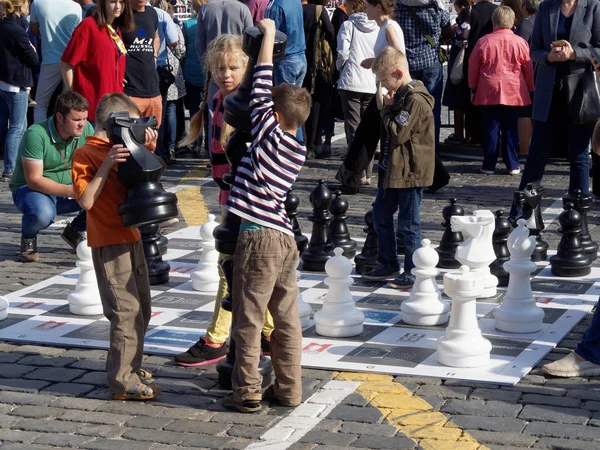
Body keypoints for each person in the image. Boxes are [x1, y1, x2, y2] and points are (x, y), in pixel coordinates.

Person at [223, 18, 311, 413]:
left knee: (248, 318)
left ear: (273, 116)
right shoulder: (296, 148)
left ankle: (247, 391)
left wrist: (270, 36)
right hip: (284, 236)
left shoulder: (267, 133)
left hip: (257, 236)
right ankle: (290, 389)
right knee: (287, 318)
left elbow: (260, 80)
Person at [175, 35, 275, 367]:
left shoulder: (252, 102)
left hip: (248, 197)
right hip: (227, 195)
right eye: (219, 68)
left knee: (231, 269)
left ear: (248, 67)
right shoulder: (217, 98)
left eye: (233, 67)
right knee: (246, 267)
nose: (225, 73)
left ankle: (217, 338)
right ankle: (270, 332)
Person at [71, 93, 161, 401]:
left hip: (131, 236)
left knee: (142, 307)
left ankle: (130, 364)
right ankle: (123, 380)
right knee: (125, 311)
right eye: (132, 124)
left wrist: (147, 145)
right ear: (116, 124)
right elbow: (85, 200)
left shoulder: (119, 147)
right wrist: (106, 165)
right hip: (109, 241)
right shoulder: (86, 153)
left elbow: (142, 179)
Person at [361, 46, 434, 289]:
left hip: (411, 171)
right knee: (381, 214)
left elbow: (398, 132)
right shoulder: (402, 96)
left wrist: (386, 109)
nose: (383, 87)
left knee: (408, 223)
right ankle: (388, 262)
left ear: (399, 73)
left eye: (384, 80)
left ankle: (413, 270)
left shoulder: (415, 100)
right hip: (393, 169)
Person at [517, 0, 600, 195]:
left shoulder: (593, 6)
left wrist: (574, 54)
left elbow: (598, 48)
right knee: (537, 154)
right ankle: (522, 210)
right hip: (549, 91)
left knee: (578, 155)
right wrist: (549, 57)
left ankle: (578, 212)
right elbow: (534, 49)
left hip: (580, 90)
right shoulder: (546, 7)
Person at [9, 92, 92, 262]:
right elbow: (34, 180)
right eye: (76, 119)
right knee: (42, 213)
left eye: (84, 118)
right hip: (31, 190)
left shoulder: (87, 130)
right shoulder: (36, 134)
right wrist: (73, 191)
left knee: (108, 195)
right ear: (60, 117)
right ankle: (29, 239)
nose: (82, 124)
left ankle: (75, 230)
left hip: (68, 188)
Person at [334, 0, 405, 194]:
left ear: (378, 7)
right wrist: (374, 61)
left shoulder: (389, 27)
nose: (365, 11)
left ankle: (351, 178)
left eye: (369, 7)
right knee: (367, 134)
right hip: (383, 86)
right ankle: (351, 177)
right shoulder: (384, 28)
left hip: (390, 88)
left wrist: (388, 82)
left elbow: (398, 56)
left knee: (368, 134)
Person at [468, 6, 534, 175]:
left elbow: (473, 67)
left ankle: (489, 164)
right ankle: (512, 163)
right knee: (511, 128)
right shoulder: (520, 42)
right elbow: (528, 68)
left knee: (491, 128)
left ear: (494, 22)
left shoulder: (484, 41)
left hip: (489, 89)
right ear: (513, 22)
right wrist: (531, 88)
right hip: (514, 90)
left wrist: (473, 88)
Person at [60, 0, 135, 127]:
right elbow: (66, 63)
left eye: (121, 2)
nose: (118, 6)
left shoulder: (115, 28)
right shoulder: (88, 26)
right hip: (93, 107)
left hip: (114, 106)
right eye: (112, 1)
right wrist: (72, 93)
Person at [195, 0, 252, 145]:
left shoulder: (205, 9)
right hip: (237, 71)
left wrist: (211, 68)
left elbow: (200, 44)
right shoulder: (242, 9)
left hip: (216, 71)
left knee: (215, 114)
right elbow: (250, 43)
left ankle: (215, 154)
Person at [0, 0, 39, 182]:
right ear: (20, 5)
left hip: (8, 80)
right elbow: (32, 58)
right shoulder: (15, 30)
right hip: (16, 81)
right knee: (17, 127)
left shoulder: (7, 25)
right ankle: (10, 168)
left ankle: (16, 166)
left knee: (18, 125)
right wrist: (33, 50)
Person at [336, 0, 378, 153]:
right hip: (371, 81)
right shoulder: (377, 27)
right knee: (368, 128)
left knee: (353, 126)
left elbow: (343, 52)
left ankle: (355, 167)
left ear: (352, 6)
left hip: (351, 80)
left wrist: (338, 67)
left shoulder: (348, 25)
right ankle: (366, 170)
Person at [29, 0, 82, 122]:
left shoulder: (38, 3)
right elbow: (77, 33)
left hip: (50, 60)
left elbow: (34, 30)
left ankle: (40, 137)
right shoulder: (75, 7)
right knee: (68, 104)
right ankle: (66, 135)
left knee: (41, 104)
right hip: (70, 61)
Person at [122, 0, 161, 152]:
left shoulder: (152, 13)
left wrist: (155, 54)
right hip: (131, 92)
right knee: (130, 144)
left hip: (153, 90)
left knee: (152, 141)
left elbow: (156, 36)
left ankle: (149, 175)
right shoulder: (121, 14)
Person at [301, 0, 335, 159]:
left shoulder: (298, 10)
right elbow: (330, 32)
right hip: (317, 64)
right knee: (316, 104)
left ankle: (304, 140)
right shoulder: (319, 10)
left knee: (301, 101)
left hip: (300, 59)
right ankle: (313, 144)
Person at [442, 0, 472, 146]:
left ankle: (459, 135)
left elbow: (461, 39)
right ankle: (469, 135)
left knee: (458, 104)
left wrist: (453, 32)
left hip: (459, 66)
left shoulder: (464, 18)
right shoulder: (473, 15)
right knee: (467, 103)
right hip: (468, 66)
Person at [181, 0, 207, 155]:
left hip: (190, 73)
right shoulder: (209, 23)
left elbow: (182, 48)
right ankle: (211, 144)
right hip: (207, 72)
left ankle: (196, 142)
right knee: (210, 110)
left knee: (194, 111)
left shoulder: (187, 25)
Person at [265, 0, 307, 87]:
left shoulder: (275, 5)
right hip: (300, 57)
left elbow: (268, 35)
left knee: (284, 99)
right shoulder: (296, 1)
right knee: (294, 99)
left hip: (286, 60)